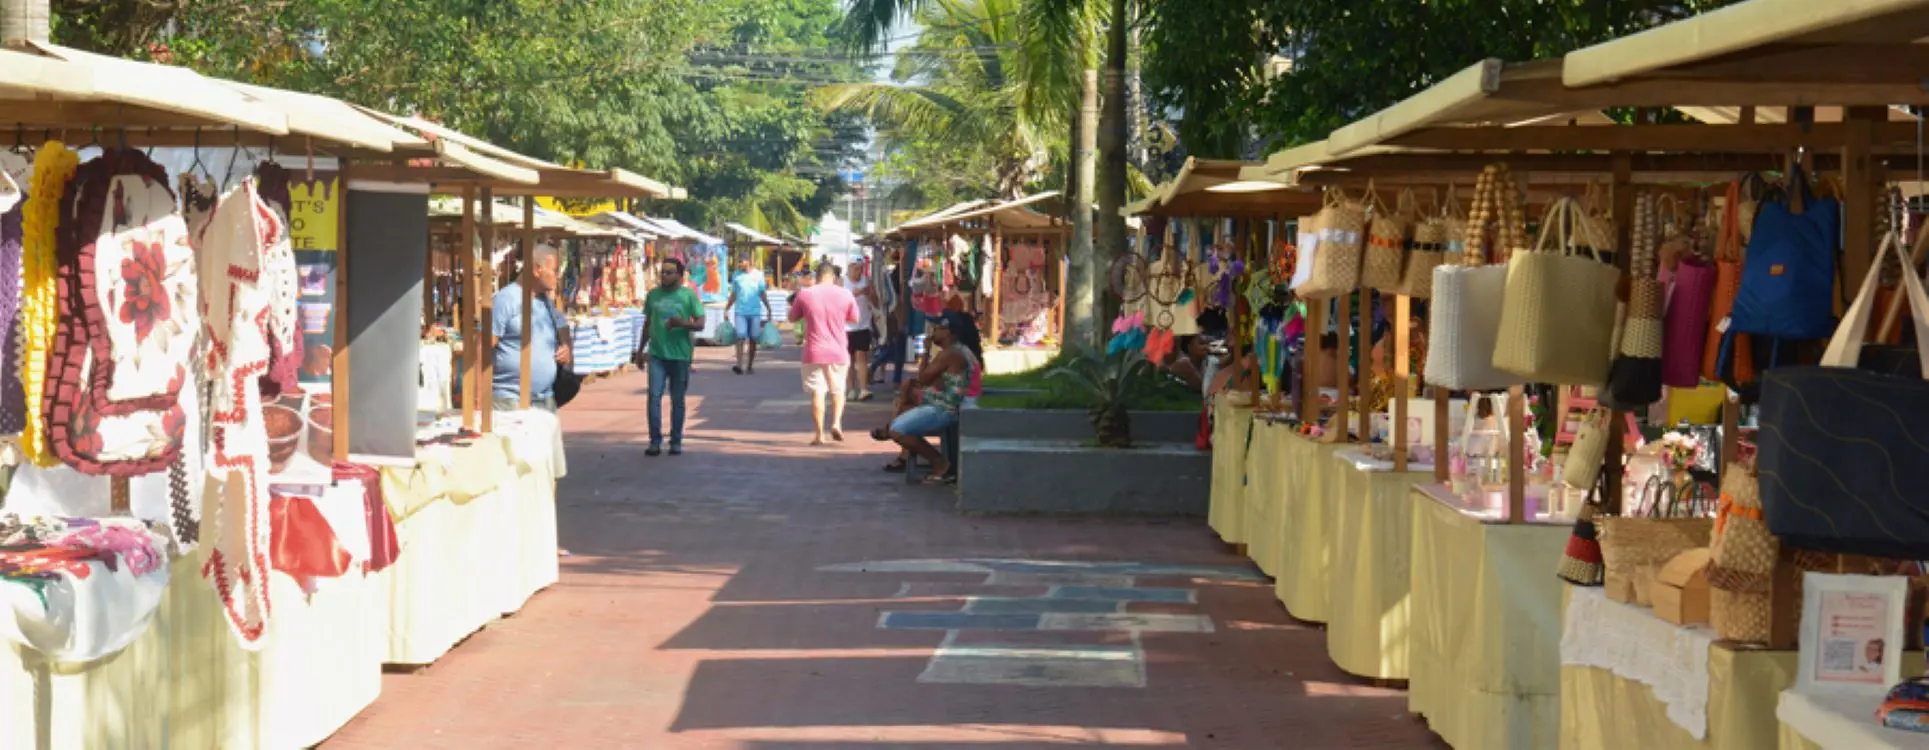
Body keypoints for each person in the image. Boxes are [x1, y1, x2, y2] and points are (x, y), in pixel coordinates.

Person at [870, 311, 981, 483]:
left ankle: (940, 463)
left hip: (948, 409)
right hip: (950, 403)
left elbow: (923, 379)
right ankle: (898, 440)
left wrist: (926, 351)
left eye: (937, 327)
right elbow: (929, 381)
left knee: (898, 431)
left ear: (948, 332)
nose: (932, 331)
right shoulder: (957, 351)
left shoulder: (951, 354)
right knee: (905, 401)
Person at [491, 243, 572, 412]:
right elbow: (483, 346)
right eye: (555, 271)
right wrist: (478, 398)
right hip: (511, 400)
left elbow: (563, 326)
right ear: (537, 270)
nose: (558, 277)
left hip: (545, 398)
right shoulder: (506, 299)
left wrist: (566, 346)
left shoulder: (545, 302)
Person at [636, 258, 704, 456]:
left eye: (669, 272)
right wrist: (640, 350)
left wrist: (682, 323)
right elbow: (648, 323)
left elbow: (700, 323)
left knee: (677, 399)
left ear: (680, 276)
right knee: (654, 397)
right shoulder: (653, 295)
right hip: (657, 354)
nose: (664, 276)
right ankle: (655, 441)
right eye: (662, 272)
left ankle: (676, 441)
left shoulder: (688, 296)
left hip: (680, 356)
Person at [788, 262, 859, 445]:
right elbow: (855, 318)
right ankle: (836, 423)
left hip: (814, 350)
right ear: (833, 277)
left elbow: (792, 318)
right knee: (838, 389)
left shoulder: (805, 294)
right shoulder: (845, 293)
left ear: (817, 276)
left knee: (818, 392)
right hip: (838, 349)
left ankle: (819, 434)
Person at [725, 259, 773, 375]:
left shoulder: (758, 275)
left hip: (755, 312)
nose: (741, 265)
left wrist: (768, 308)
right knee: (740, 336)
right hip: (740, 311)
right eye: (739, 263)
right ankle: (739, 364)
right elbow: (734, 293)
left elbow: (762, 293)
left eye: (742, 262)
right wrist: (727, 308)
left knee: (753, 339)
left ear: (749, 262)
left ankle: (750, 365)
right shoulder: (736, 274)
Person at [844, 258, 877, 401]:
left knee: (862, 356)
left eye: (861, 269)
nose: (859, 272)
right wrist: (854, 295)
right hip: (845, 326)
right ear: (849, 268)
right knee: (849, 359)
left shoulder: (866, 281)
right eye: (856, 269)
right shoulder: (841, 282)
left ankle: (863, 389)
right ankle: (851, 389)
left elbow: (875, 301)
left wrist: (869, 294)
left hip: (863, 324)